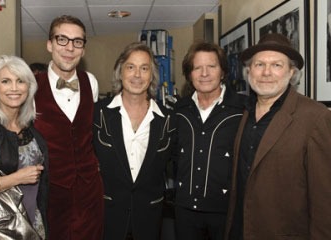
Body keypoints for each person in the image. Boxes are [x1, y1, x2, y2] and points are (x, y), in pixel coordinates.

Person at [225, 33, 331, 240]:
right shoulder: (245, 112)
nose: (266, 73)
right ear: (248, 71)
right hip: (240, 230)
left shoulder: (316, 117)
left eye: (277, 65)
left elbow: (324, 200)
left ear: (291, 72)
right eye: (259, 65)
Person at [93, 42, 175, 240]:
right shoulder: (97, 113)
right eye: (131, 67)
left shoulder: (169, 120)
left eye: (144, 68)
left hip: (150, 219)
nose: (137, 75)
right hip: (107, 217)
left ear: (152, 76)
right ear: (120, 73)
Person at [33, 15, 103, 240]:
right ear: (49, 44)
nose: (69, 48)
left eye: (77, 41)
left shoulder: (90, 81)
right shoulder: (32, 86)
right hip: (51, 192)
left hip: (90, 191)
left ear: (83, 49)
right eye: (62, 39)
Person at [172, 41, 246, 240]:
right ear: (189, 74)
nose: (204, 73)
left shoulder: (243, 110)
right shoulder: (179, 110)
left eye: (211, 66)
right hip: (185, 211)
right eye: (197, 68)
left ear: (222, 72)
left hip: (226, 212)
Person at [0, 55, 49, 239]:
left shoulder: (29, 127)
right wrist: (17, 178)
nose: (14, 88)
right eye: (6, 81)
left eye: (20, 81)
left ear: (29, 87)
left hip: (33, 223)